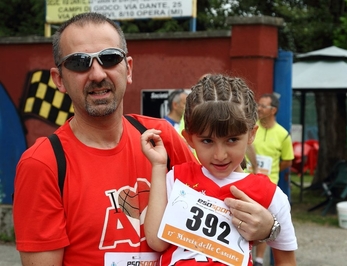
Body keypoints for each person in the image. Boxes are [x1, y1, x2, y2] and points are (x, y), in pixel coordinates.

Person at [13, 13, 277, 265]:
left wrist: (268, 229)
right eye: (79, 62)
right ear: (59, 79)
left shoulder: (161, 138)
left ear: (128, 69)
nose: (97, 74)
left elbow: (227, 205)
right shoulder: (43, 164)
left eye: (109, 58)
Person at [141, 74, 297, 265]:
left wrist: (270, 229)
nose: (220, 155)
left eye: (232, 140)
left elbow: (286, 261)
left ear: (251, 134)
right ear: (189, 138)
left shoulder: (271, 195)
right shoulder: (176, 178)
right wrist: (158, 167)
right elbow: (156, 242)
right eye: (207, 141)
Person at [246, 93, 294, 266]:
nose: (259, 108)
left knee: (266, 223)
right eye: (258, 105)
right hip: (247, 182)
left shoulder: (283, 134)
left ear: (273, 110)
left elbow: (288, 160)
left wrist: (272, 171)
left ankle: (259, 260)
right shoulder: (251, 128)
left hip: (268, 185)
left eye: (263, 106)